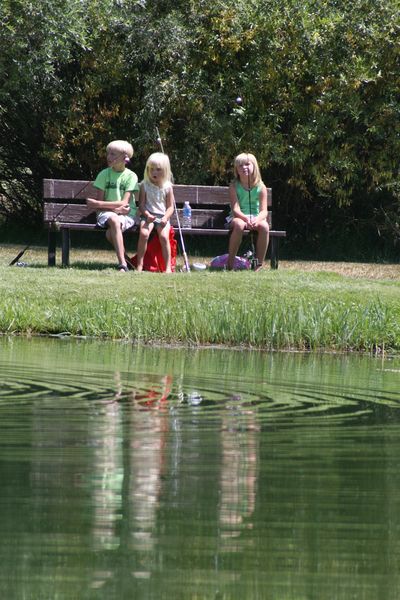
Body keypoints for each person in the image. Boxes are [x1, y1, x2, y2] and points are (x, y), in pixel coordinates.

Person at [86, 140, 139, 272]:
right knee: (114, 220)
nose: (109, 157)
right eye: (108, 153)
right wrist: (114, 209)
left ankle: (125, 260)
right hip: (106, 214)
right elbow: (101, 204)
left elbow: (124, 203)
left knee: (111, 233)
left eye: (113, 154)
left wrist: (97, 204)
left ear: (125, 157)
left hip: (127, 214)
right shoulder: (104, 174)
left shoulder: (131, 176)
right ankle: (123, 264)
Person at [227, 152, 270, 271]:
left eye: (247, 164)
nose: (244, 167)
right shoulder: (234, 186)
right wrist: (246, 219)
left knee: (265, 226)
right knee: (240, 225)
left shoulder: (261, 187)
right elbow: (235, 209)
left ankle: (259, 265)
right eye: (240, 165)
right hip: (239, 217)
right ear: (236, 169)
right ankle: (230, 263)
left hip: (255, 217)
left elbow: (264, 211)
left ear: (254, 166)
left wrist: (256, 219)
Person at [135, 152, 175, 273]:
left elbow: (170, 207)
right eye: (151, 169)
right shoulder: (144, 185)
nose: (154, 173)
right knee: (144, 234)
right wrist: (147, 215)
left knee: (163, 236)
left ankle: (168, 267)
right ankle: (140, 265)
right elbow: (141, 205)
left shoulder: (168, 187)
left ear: (165, 170)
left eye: (158, 170)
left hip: (162, 216)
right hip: (147, 215)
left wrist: (165, 218)